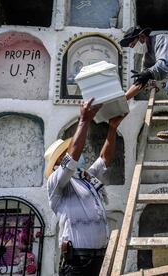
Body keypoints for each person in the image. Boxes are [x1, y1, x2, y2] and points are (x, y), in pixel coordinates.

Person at [45, 98, 125, 276]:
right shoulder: (56, 182)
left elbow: (105, 159)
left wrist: (112, 129)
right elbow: (71, 160)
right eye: (67, 152)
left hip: (100, 259)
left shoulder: (86, 178)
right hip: (77, 263)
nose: (77, 152)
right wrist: (84, 120)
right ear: (59, 160)